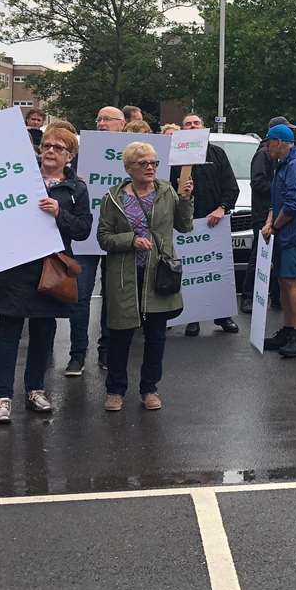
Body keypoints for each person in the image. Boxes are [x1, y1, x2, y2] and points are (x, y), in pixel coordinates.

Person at [0, 124, 90, 422]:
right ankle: (2, 397)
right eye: (47, 145)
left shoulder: (76, 189)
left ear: (70, 155)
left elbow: (82, 230)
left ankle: (35, 389)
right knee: (8, 332)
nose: (51, 151)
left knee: (44, 331)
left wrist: (59, 213)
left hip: (51, 271)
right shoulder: (18, 179)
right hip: (15, 267)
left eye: (59, 147)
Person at [98, 140, 192, 412]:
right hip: (124, 276)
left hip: (158, 274)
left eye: (154, 163)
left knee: (156, 336)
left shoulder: (166, 192)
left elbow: (184, 227)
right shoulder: (113, 197)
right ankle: (115, 390)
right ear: (129, 168)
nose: (150, 167)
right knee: (120, 335)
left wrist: (185, 200)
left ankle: (150, 389)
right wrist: (131, 240)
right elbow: (103, 238)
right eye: (143, 163)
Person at [171, 113, 239, 337]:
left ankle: (222, 315)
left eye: (196, 123)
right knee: (189, 272)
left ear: (204, 128)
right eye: (188, 124)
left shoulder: (217, 154)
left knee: (216, 271)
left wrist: (222, 208)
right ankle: (193, 317)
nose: (192, 126)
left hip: (214, 224)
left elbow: (231, 187)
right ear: (182, 130)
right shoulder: (173, 158)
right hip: (185, 225)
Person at [68, 105, 125, 375]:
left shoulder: (135, 150)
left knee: (114, 297)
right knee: (81, 295)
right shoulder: (84, 152)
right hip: (87, 234)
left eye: (107, 119)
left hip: (117, 235)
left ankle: (107, 350)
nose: (101, 123)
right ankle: (77, 353)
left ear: (121, 124)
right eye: (98, 118)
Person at [261, 124, 296, 359]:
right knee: (284, 281)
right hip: (285, 232)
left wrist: (274, 226)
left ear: (280, 142)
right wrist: (269, 221)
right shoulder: (284, 164)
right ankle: (287, 329)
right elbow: (278, 200)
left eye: (268, 142)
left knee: (292, 281)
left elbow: (293, 204)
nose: (266, 147)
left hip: (294, 234)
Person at [247, 116, 292, 310]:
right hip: (263, 213)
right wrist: (279, 189)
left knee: (278, 257)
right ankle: (248, 296)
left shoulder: (283, 157)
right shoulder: (263, 154)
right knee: (259, 255)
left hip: (276, 213)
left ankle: (276, 295)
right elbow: (257, 182)